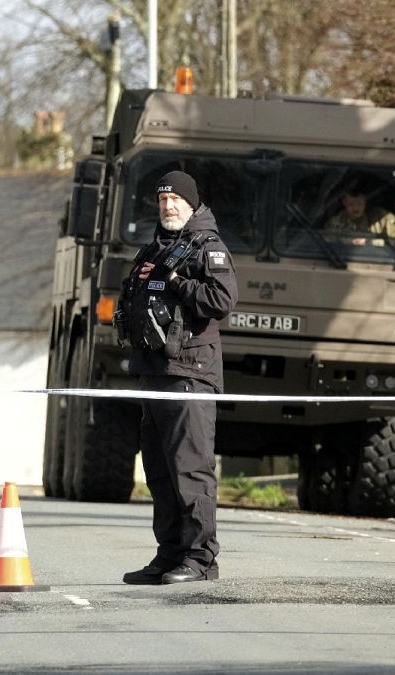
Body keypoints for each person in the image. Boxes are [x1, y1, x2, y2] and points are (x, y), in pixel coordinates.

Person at [117, 170, 238, 584]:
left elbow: (222, 300)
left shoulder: (207, 246)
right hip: (154, 373)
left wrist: (178, 282)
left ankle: (201, 560)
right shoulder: (157, 247)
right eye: (162, 200)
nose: (168, 207)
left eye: (175, 200)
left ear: (191, 203)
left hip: (190, 374)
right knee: (160, 472)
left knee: (190, 470)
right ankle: (169, 555)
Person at [322, 179, 395, 260]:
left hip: (378, 264)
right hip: (342, 263)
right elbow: (324, 246)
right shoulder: (335, 223)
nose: (356, 208)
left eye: (359, 203)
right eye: (351, 204)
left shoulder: (381, 219)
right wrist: (346, 244)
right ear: (344, 202)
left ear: (365, 200)